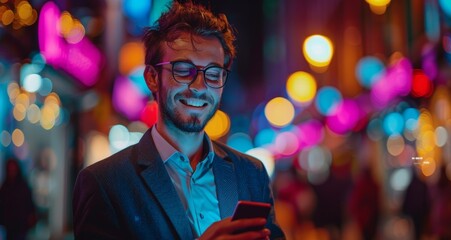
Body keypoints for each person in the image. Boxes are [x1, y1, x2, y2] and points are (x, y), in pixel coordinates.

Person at [72, 1, 284, 239]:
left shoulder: (251, 174)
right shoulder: (105, 184)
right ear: (152, 78)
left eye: (213, 74)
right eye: (183, 70)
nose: (199, 87)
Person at [0, 157, 37, 240]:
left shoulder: (23, 185)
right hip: (9, 225)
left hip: (21, 224)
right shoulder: (5, 186)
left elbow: (29, 202)